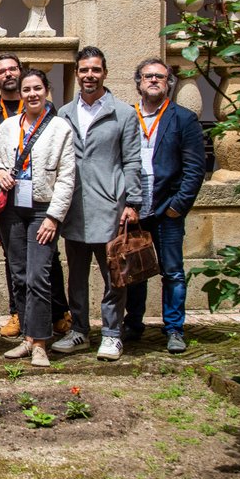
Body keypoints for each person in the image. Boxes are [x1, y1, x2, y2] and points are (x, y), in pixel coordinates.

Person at [53, 46, 143, 361]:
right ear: (77, 74)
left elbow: (133, 160)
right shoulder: (64, 114)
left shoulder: (124, 113)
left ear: (104, 72)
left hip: (111, 208)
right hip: (75, 208)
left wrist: (133, 202)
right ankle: (79, 331)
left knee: (114, 276)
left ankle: (112, 334)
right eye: (84, 70)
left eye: (95, 70)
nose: (89, 76)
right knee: (76, 276)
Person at [0, 53, 72, 339]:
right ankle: (18, 313)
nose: (8, 74)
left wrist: (54, 214)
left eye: (13, 69)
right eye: (2, 71)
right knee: (13, 259)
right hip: (7, 201)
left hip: (41, 203)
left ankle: (57, 312)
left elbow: (64, 170)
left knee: (46, 260)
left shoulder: (52, 115)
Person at [122, 58, 206, 353]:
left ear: (169, 82)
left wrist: (177, 206)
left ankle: (173, 329)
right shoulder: (127, 115)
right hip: (134, 207)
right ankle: (133, 323)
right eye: (148, 76)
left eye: (160, 76)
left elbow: (195, 168)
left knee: (172, 271)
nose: (154, 80)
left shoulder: (182, 118)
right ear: (139, 82)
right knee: (134, 269)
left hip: (166, 207)